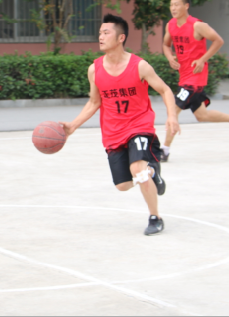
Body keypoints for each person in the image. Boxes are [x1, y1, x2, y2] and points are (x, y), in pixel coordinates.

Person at [60, 14, 181, 236]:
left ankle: (155, 217)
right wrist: (73, 126)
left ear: (120, 38)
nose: (100, 36)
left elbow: (165, 90)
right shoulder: (95, 69)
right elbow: (94, 102)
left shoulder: (139, 66)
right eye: (100, 33)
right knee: (123, 185)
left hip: (139, 126)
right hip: (113, 132)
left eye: (106, 32)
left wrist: (172, 116)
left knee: (137, 170)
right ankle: (152, 171)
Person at [160, 0, 229, 163]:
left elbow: (218, 40)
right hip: (184, 76)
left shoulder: (197, 25)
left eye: (177, 4)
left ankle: (164, 150)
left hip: (195, 78)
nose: (173, 8)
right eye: (171, 5)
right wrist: (170, 57)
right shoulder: (170, 25)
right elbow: (165, 44)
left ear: (186, 6)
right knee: (202, 115)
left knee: (173, 110)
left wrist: (202, 59)